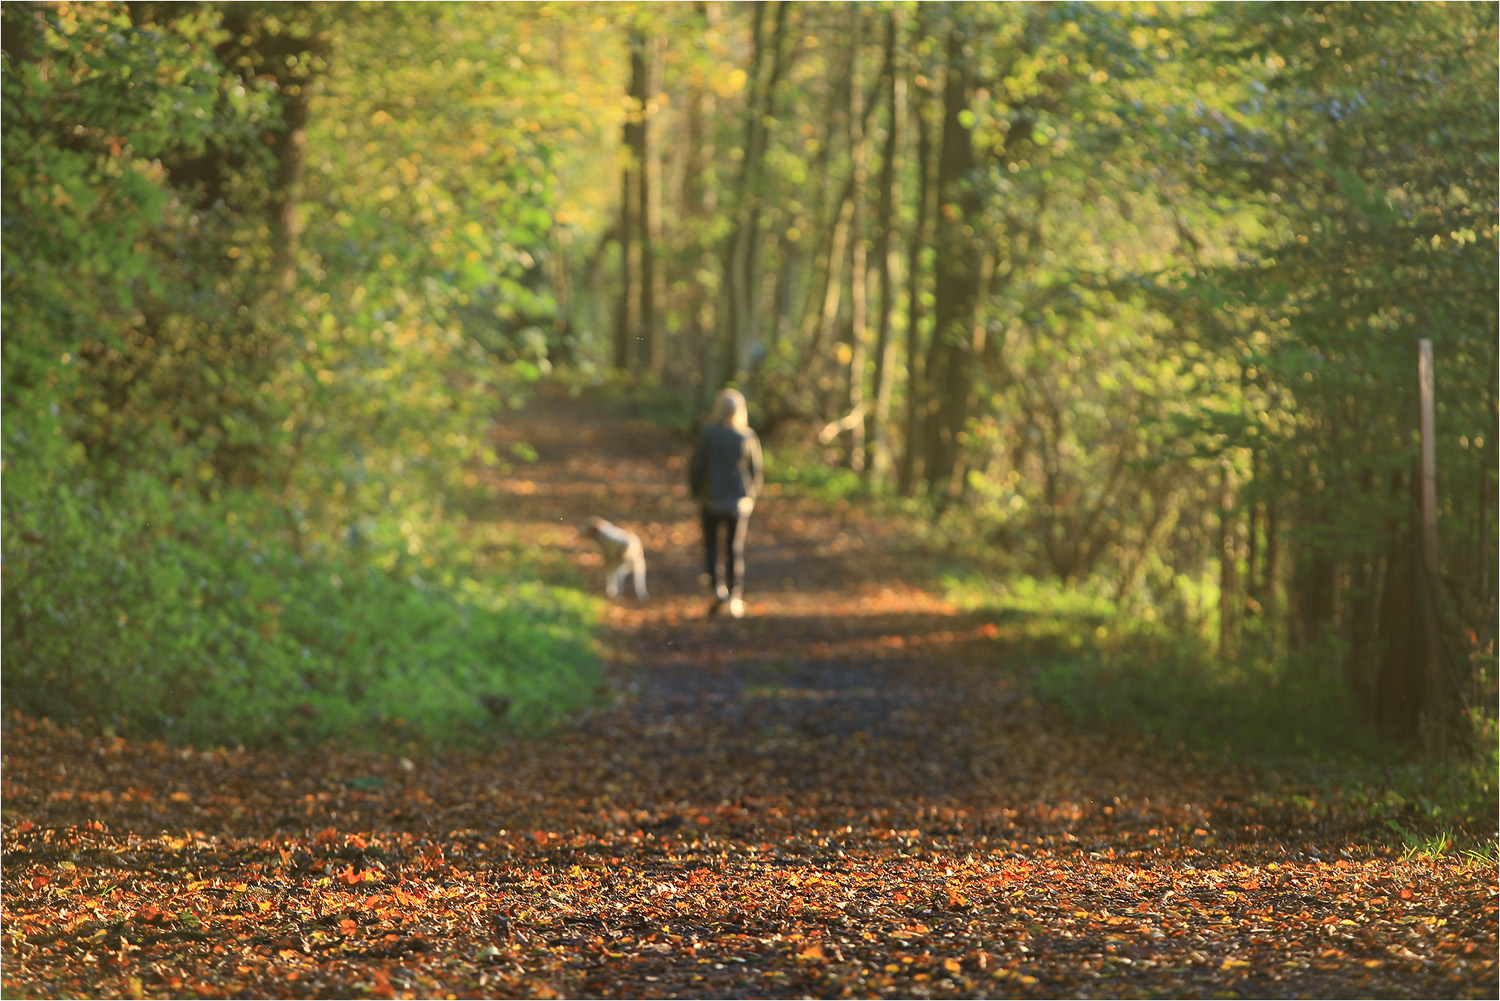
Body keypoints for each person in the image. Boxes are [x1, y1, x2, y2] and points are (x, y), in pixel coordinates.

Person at [690, 388, 763, 618]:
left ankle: (716, 591)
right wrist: (751, 496)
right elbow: (756, 470)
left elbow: (697, 466)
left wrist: (696, 491)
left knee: (711, 546)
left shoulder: (708, 433)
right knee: (734, 549)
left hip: (711, 499)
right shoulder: (747, 436)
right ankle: (735, 597)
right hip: (738, 503)